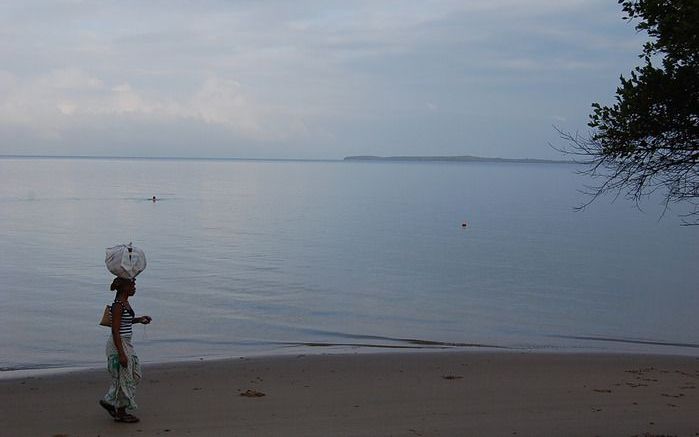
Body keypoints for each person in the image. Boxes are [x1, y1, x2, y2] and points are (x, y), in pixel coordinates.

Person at [99, 277, 152, 423]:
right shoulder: (118, 306)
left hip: (126, 343)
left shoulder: (124, 304)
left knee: (134, 375)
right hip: (119, 344)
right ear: (124, 288)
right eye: (132, 285)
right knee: (125, 376)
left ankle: (111, 402)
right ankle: (120, 412)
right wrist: (121, 353)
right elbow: (115, 331)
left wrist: (139, 319)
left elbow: (124, 322)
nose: (135, 288)